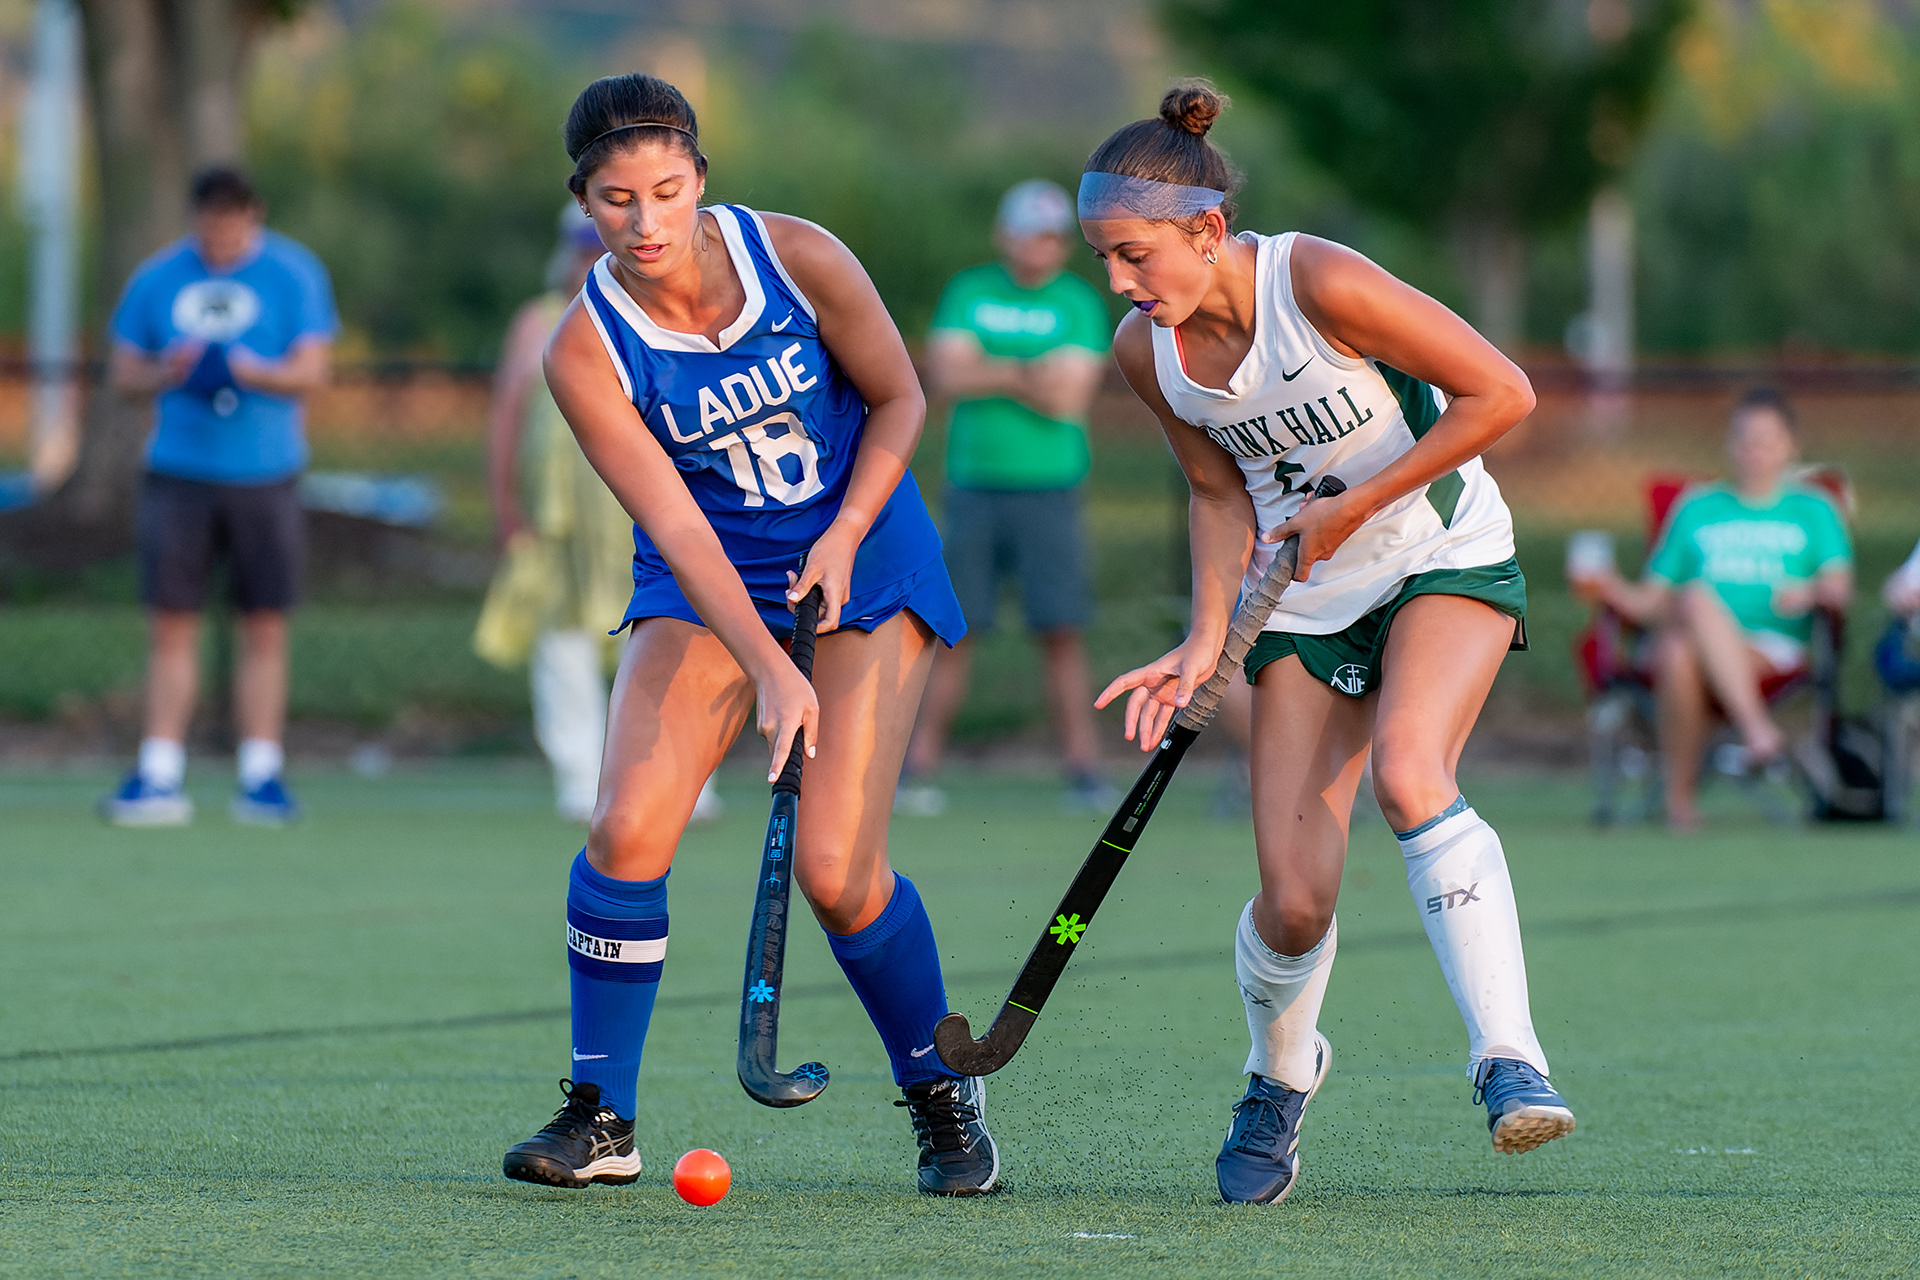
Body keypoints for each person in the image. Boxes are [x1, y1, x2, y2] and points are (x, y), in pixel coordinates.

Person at [499, 74, 999, 1197]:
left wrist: (847, 532)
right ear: (584, 201)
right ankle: (602, 1113)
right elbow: (674, 521)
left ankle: (939, 1086)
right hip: (709, 580)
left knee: (835, 869)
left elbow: (902, 397)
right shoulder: (585, 349)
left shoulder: (799, 256)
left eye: (667, 190)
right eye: (618, 199)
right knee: (627, 825)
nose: (647, 221)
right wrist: (772, 665)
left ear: (700, 178)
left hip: (863, 559)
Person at [1086, 83, 1574, 1206]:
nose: (1117, 282)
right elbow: (1215, 492)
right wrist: (1205, 637)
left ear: (1206, 232)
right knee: (1295, 900)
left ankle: (1509, 1058)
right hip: (1299, 599)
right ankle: (1278, 1072)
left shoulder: (1317, 281)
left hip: (1436, 550)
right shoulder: (1144, 351)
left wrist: (1359, 504)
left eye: (1132, 255)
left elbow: (1501, 392)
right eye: (1105, 259)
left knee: (1411, 771)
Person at [99, 166, 337, 827]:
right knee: (171, 622)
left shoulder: (293, 274)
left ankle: (261, 773)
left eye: (233, 227)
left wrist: (249, 370)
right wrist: (167, 370)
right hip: (180, 473)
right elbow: (122, 373)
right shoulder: (157, 276)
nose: (221, 239)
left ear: (254, 218)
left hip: (266, 475)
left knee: (264, 623)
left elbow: (313, 371)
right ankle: (159, 771)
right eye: (211, 226)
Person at [476, 209, 721, 825]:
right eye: (580, 248)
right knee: (562, 639)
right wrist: (505, 505)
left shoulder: (654, 314)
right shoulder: (534, 322)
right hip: (557, 518)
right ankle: (579, 776)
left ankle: (685, 779)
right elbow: (507, 416)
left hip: (642, 513)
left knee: (671, 632)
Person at [899, 180, 1114, 815]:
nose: (1038, 247)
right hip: (973, 488)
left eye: (1050, 237)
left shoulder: (1079, 301)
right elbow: (944, 374)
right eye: (1028, 232)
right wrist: (1030, 371)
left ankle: (1083, 768)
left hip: (1051, 488)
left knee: (1062, 630)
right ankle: (917, 767)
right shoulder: (970, 290)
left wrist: (990, 368)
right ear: (1005, 233)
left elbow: (1069, 397)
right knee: (954, 630)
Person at [1576, 390, 1852, 831]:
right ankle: (1755, 732)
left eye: (1765, 440)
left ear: (1790, 446)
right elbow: (1651, 601)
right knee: (1689, 623)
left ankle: (1678, 800)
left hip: (1770, 646)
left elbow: (1840, 589)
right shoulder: (1697, 507)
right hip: (1687, 641)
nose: (1753, 451)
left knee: (1685, 633)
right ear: (1728, 443)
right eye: (1743, 439)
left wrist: (1812, 591)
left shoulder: (1814, 509)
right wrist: (1612, 588)